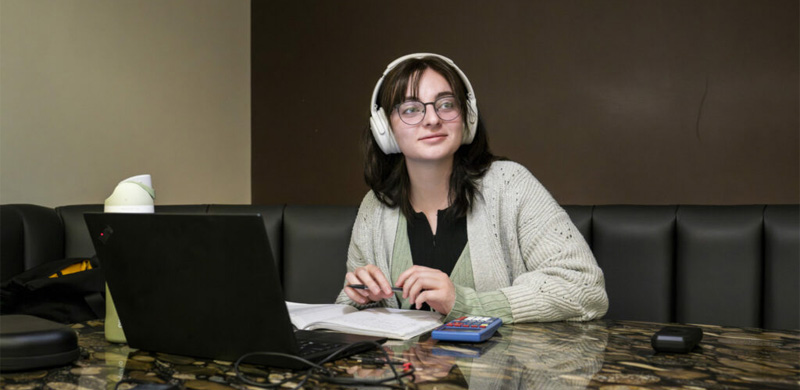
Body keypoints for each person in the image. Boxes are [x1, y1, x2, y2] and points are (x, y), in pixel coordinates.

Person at [335, 53, 608, 323]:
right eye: (411, 109)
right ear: (384, 129)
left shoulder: (511, 185)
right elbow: (347, 312)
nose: (432, 119)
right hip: (406, 368)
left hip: (502, 367)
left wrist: (465, 304)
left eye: (446, 104)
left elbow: (585, 288)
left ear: (468, 116)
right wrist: (361, 300)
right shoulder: (374, 206)